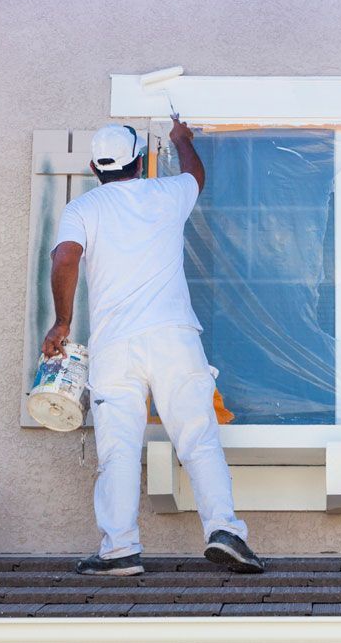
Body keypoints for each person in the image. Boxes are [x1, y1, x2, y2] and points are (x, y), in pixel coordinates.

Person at [42, 119, 263, 576]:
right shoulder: (166, 194)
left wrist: (62, 322)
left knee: (118, 449)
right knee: (198, 439)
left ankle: (119, 550)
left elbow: (65, 257)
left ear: (92, 168)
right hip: (174, 339)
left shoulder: (82, 208)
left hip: (115, 347)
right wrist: (182, 140)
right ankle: (226, 531)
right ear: (140, 162)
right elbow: (195, 175)